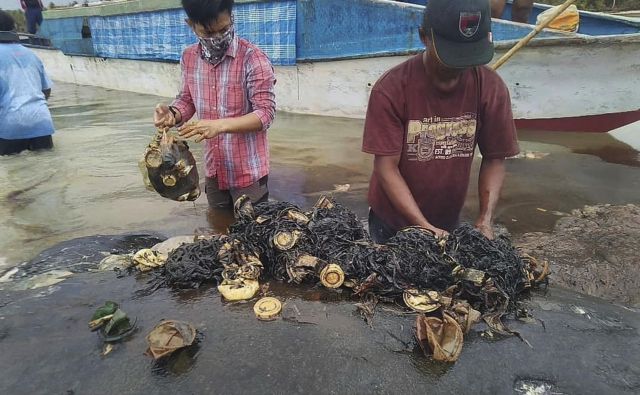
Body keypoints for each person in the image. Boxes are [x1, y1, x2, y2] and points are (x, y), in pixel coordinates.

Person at [362, 0, 519, 243]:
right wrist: (423, 225)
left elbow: (495, 157)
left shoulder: (491, 87)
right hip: (391, 223)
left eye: (468, 54)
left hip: (448, 220)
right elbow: (386, 168)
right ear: (425, 37)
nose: (460, 65)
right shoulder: (391, 89)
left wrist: (485, 219)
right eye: (453, 54)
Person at [154, 0, 276, 209]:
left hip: (248, 174)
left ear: (232, 18)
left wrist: (219, 125)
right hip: (214, 171)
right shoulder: (189, 57)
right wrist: (172, 114)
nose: (217, 38)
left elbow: (265, 113)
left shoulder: (253, 58)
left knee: (255, 234)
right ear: (191, 25)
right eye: (208, 33)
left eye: (224, 29)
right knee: (218, 231)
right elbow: (187, 99)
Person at [0, 10, 55, 156]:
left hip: (11, 127)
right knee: (49, 170)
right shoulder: (30, 54)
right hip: (41, 123)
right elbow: (46, 90)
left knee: (18, 173)